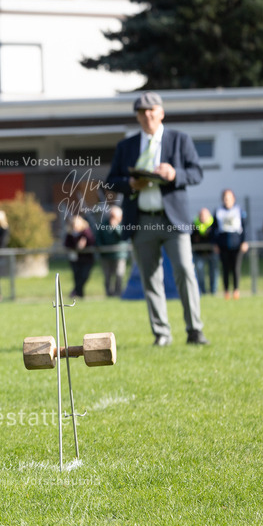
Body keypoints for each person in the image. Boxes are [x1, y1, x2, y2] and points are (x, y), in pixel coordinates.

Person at [106, 91, 208, 346]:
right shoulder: (126, 146)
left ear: (161, 113)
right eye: (141, 112)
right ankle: (162, 333)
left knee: (185, 270)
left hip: (173, 219)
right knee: (149, 278)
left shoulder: (179, 140)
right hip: (141, 220)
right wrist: (130, 183)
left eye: (152, 110)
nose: (147, 115)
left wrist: (175, 174)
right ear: (137, 117)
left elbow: (196, 173)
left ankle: (194, 330)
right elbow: (110, 180)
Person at [213, 189, 248, 300]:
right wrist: (215, 244)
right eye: (225, 198)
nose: (227, 200)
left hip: (236, 243)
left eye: (229, 198)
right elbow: (214, 229)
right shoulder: (218, 211)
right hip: (223, 244)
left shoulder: (239, 210)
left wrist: (244, 242)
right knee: (225, 268)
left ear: (233, 199)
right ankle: (226, 291)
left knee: (236, 268)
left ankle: (236, 290)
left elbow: (244, 228)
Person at [94, 204, 129, 297]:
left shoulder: (124, 224)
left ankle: (118, 293)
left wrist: (116, 227)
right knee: (107, 276)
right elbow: (98, 238)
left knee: (119, 274)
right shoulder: (103, 224)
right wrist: (101, 248)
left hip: (119, 255)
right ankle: (109, 293)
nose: (112, 217)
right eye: (111, 215)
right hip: (106, 255)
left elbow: (123, 237)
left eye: (114, 216)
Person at [64, 214, 96, 298]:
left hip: (87, 259)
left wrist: (83, 245)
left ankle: (75, 291)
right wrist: (76, 247)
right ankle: (79, 294)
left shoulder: (86, 232)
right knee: (77, 276)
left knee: (84, 276)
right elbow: (67, 244)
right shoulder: (70, 233)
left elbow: (92, 241)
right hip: (75, 260)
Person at [190, 207, 218, 295]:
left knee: (214, 272)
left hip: (211, 252)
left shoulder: (214, 224)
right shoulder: (194, 225)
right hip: (199, 253)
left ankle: (213, 291)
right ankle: (203, 291)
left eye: (205, 215)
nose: (203, 217)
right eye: (201, 215)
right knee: (200, 273)